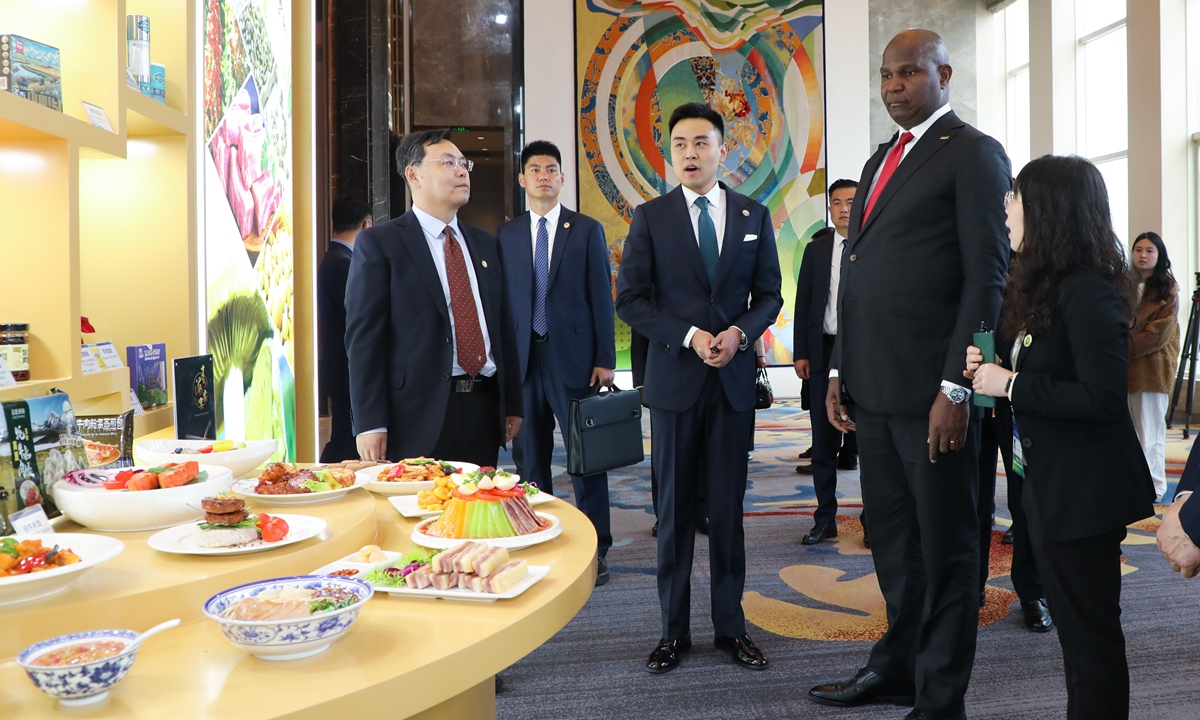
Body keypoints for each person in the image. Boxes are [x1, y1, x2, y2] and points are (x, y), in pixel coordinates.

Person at [809, 30, 1011, 720]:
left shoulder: (975, 154)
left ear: (943, 74)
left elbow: (988, 279)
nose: (893, 85)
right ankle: (896, 668)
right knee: (895, 548)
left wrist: (959, 386)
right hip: (874, 392)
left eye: (908, 73)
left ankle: (940, 699)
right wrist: (841, 368)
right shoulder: (877, 159)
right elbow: (859, 274)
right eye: (886, 74)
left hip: (937, 398)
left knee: (949, 550)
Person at [968, 154, 1154, 720]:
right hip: (1048, 484)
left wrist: (1012, 383)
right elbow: (1045, 368)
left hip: (1084, 493)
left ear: (1049, 210)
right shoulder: (1042, 285)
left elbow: (1099, 400)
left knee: (1090, 642)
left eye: (1015, 197)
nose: (1006, 209)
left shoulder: (1089, 290)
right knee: (1077, 639)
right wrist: (993, 366)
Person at [616, 102, 782, 675]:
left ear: (722, 149)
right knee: (675, 511)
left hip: (733, 386)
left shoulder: (753, 215)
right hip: (675, 385)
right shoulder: (651, 218)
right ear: (670, 153)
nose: (691, 152)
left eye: (701, 142)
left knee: (730, 512)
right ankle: (673, 632)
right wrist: (689, 336)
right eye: (680, 143)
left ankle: (732, 629)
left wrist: (740, 332)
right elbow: (631, 299)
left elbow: (769, 296)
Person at [345, 128, 523, 467]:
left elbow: (501, 328)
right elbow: (364, 340)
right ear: (414, 175)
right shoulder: (381, 244)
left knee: (477, 511)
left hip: (484, 408)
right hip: (416, 413)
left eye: (464, 163)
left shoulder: (485, 243)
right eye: (448, 162)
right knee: (419, 511)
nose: (462, 171)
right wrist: (369, 421)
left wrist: (511, 403)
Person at [498, 140, 616, 587]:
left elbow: (601, 298)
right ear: (523, 179)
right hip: (525, 359)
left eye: (552, 169)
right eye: (535, 170)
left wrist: (605, 358)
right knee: (530, 462)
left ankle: (597, 548)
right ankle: (540, 540)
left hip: (575, 361)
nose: (544, 176)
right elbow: (501, 303)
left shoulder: (584, 229)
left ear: (562, 178)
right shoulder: (506, 234)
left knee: (586, 460)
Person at [793, 179, 858, 545]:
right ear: (830, 209)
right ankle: (825, 518)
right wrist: (801, 351)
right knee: (823, 439)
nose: (844, 208)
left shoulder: (875, 245)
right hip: (822, 350)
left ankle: (873, 519)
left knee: (870, 439)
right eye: (837, 203)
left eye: (851, 201)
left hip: (864, 352)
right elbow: (803, 302)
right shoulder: (817, 251)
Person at [318, 196, 371, 462]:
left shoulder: (334, 258)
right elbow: (356, 317)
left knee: (345, 436)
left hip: (340, 367)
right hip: (347, 369)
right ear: (366, 225)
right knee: (344, 439)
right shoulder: (344, 263)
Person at [1127, 231, 1179, 502]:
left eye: (1149, 250)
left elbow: (1158, 333)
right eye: (1138, 250)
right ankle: (1131, 485)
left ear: (1159, 256)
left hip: (1151, 369)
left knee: (1150, 433)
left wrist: (1120, 347)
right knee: (1128, 434)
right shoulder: (1123, 284)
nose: (1143, 255)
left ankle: (1155, 487)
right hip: (1123, 370)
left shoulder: (1168, 289)